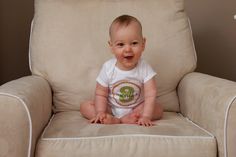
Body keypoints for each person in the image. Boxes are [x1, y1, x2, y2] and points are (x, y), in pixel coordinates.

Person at [80, 15, 163, 126]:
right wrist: (100, 112)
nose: (128, 49)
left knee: (158, 109)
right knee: (85, 106)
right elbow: (100, 94)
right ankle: (113, 118)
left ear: (143, 44)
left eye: (134, 43)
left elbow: (150, 94)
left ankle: (128, 118)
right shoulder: (108, 68)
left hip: (136, 109)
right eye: (120, 44)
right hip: (111, 108)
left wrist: (146, 116)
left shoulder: (145, 68)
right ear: (111, 47)